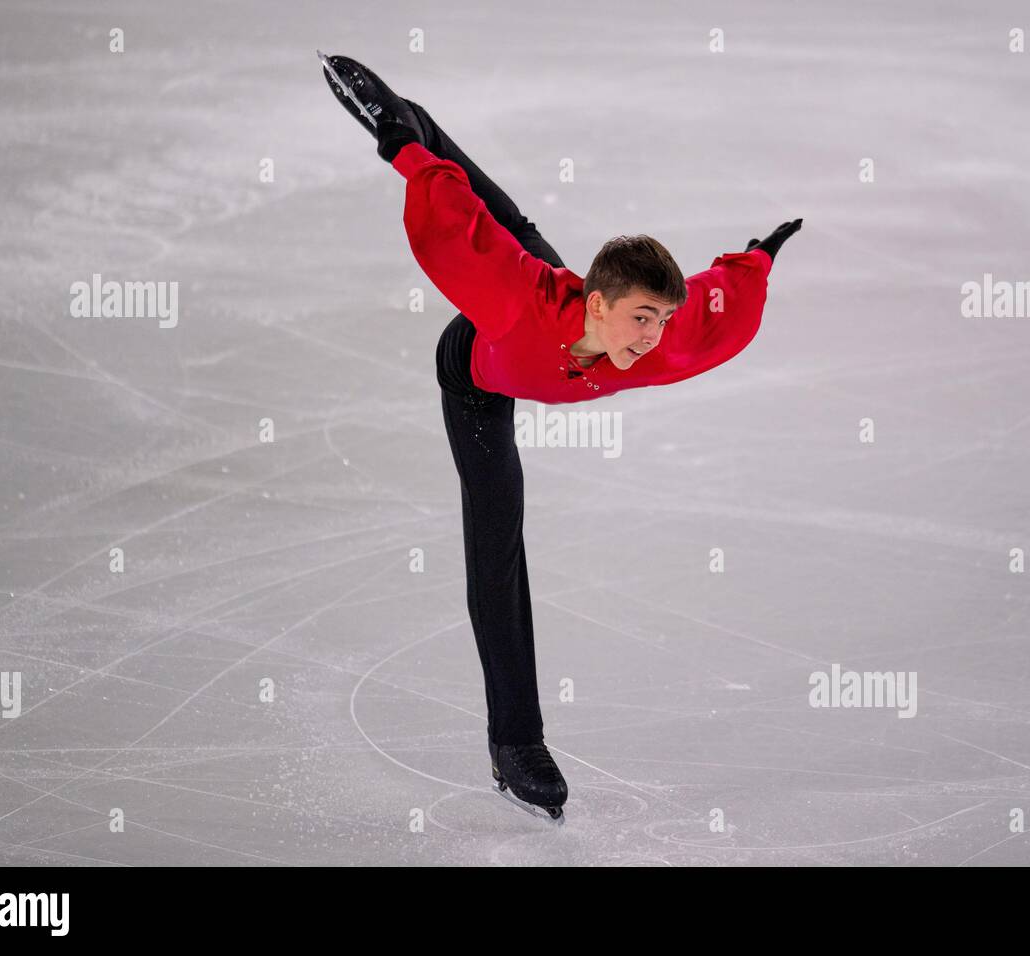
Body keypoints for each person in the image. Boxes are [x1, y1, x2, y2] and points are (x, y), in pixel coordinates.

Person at [319, 52, 801, 822]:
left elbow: (716, 313)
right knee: (498, 540)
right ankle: (515, 742)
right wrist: (400, 145)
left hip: (553, 318)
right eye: (642, 318)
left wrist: (755, 261)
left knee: (519, 237)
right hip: (481, 369)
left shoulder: (650, 342)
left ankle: (420, 124)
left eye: (661, 319)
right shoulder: (515, 300)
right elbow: (451, 227)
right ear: (601, 306)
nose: (654, 337)